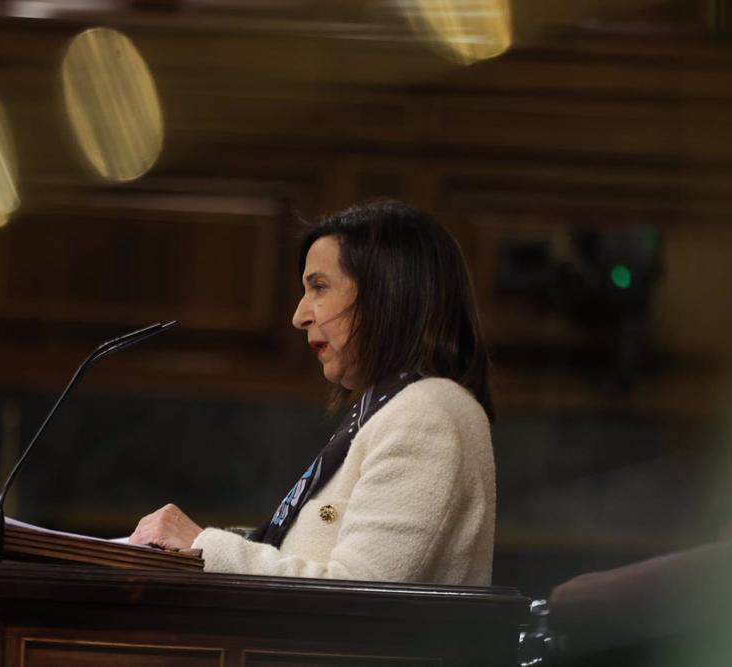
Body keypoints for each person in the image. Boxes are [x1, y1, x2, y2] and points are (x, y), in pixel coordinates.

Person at [129, 200, 497, 584]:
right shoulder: (398, 407)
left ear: (386, 293)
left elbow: (358, 591)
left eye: (319, 287)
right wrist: (189, 545)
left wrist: (203, 545)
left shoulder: (426, 413)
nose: (299, 315)